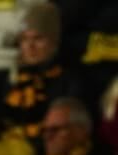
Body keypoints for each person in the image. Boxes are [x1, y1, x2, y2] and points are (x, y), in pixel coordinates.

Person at [5, 3, 80, 141]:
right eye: (24, 39)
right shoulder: (9, 78)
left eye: (38, 38)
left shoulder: (70, 82)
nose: (30, 46)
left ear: (53, 42)